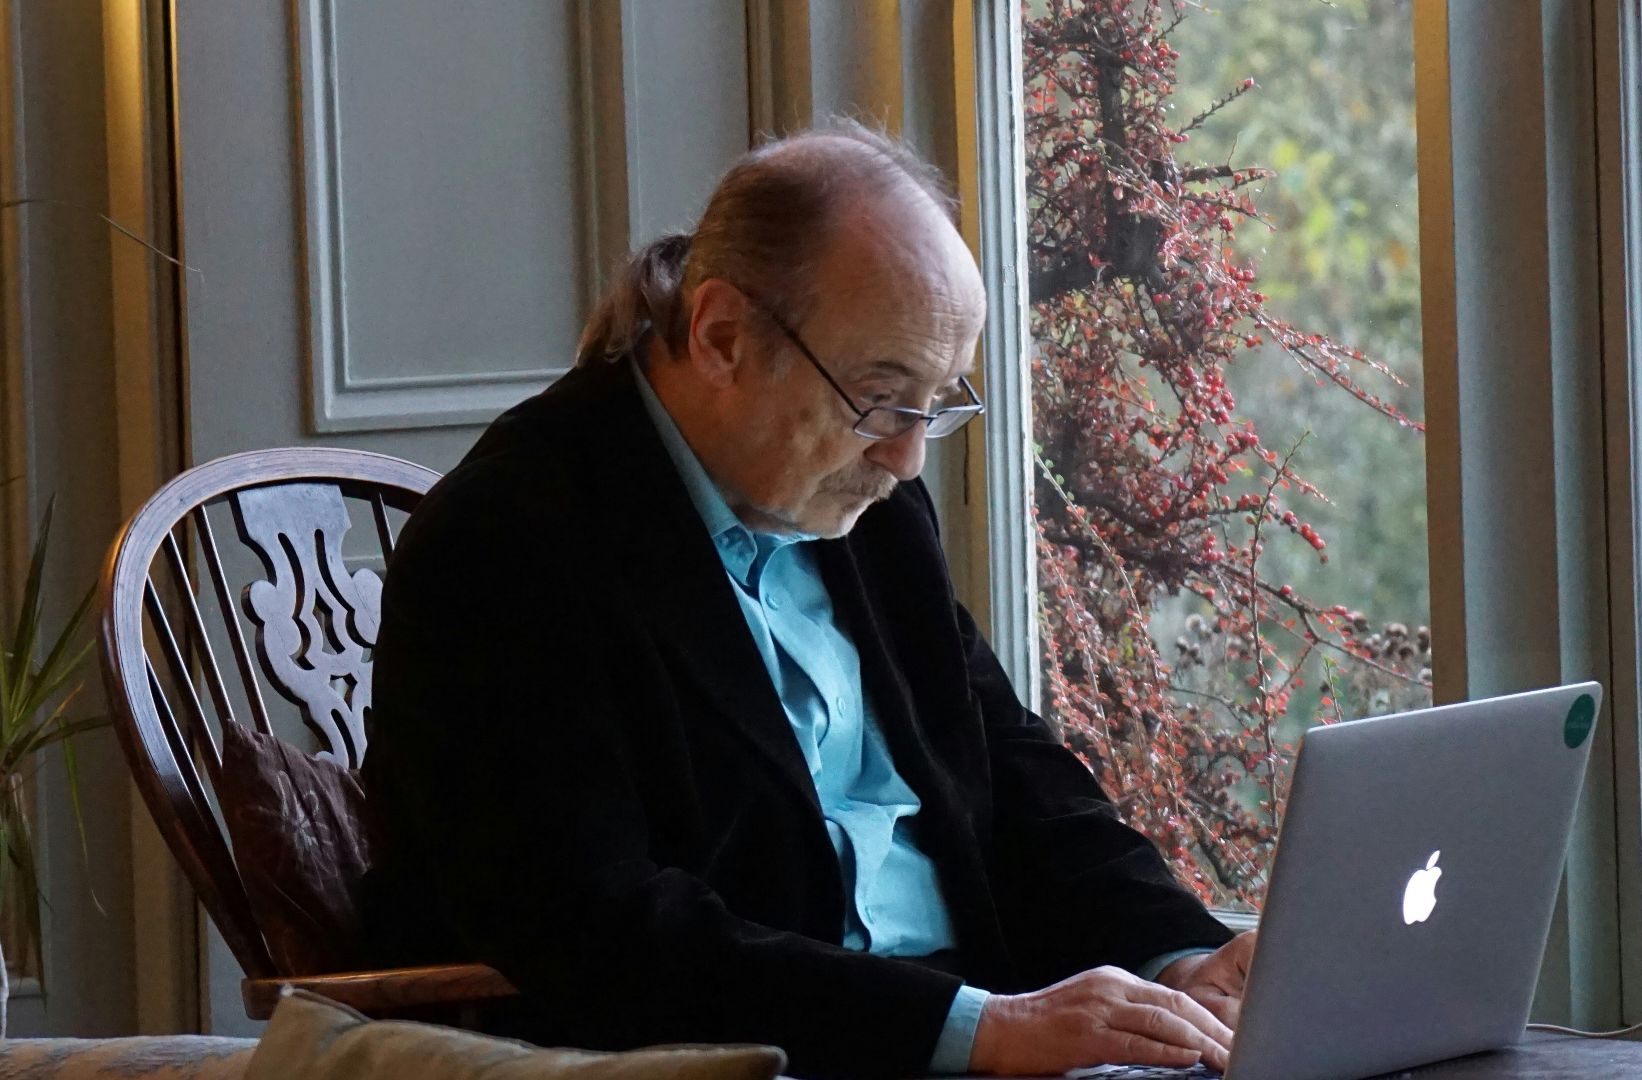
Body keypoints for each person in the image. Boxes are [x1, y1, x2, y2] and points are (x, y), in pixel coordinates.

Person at [360, 120, 1256, 1080]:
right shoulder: (506, 546)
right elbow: (601, 930)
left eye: (935, 403)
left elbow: (1008, 772)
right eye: (879, 399)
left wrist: (1182, 956)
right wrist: (982, 1029)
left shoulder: (869, 505)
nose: (907, 457)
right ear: (722, 338)